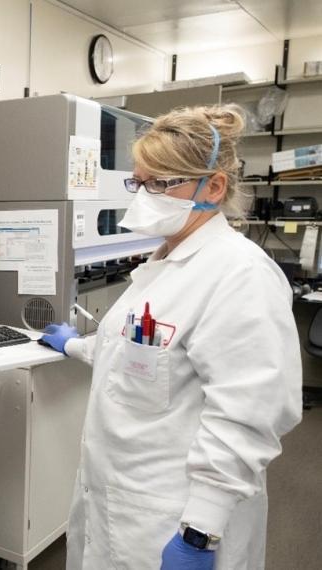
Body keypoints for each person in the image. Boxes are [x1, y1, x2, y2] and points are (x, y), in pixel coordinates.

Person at [41, 105, 302, 570]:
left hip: (175, 519)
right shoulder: (163, 262)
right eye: (139, 183)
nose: (145, 196)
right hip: (119, 503)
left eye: (160, 184)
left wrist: (199, 533)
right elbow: (135, 349)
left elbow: (247, 415)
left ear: (214, 187)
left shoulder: (240, 275)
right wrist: (74, 345)